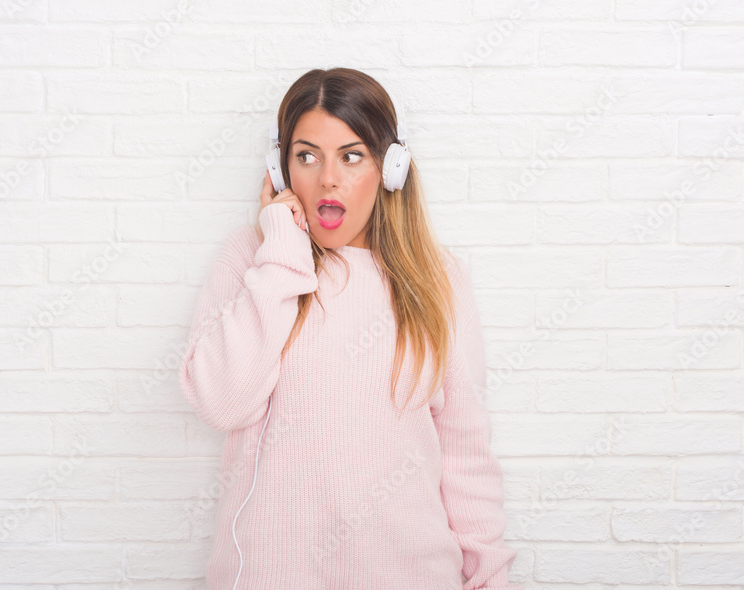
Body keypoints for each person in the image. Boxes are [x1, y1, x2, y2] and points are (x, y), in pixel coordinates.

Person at [179, 67, 521, 590]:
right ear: (280, 170)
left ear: (390, 168)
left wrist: (489, 579)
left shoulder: (438, 278)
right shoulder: (252, 259)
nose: (327, 179)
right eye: (306, 156)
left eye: (352, 155)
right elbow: (222, 402)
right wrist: (282, 252)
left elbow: (465, 454)